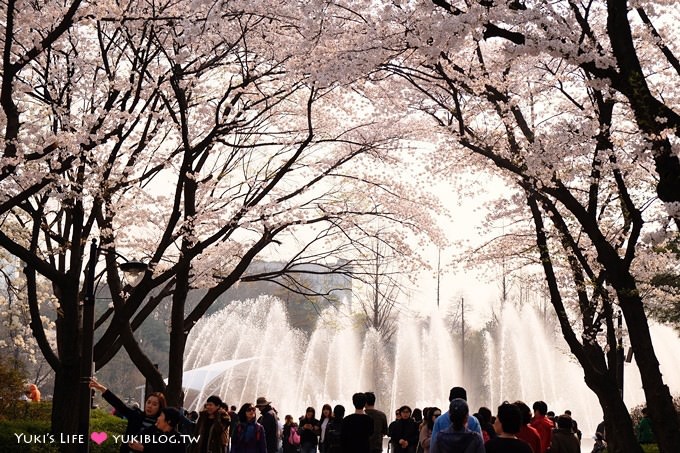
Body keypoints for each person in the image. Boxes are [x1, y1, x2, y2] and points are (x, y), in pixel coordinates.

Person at [90, 377, 166, 453]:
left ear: (160, 407)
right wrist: (102, 389)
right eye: (148, 402)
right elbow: (120, 405)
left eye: (154, 404)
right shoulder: (136, 415)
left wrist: (143, 449)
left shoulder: (162, 425)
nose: (150, 406)